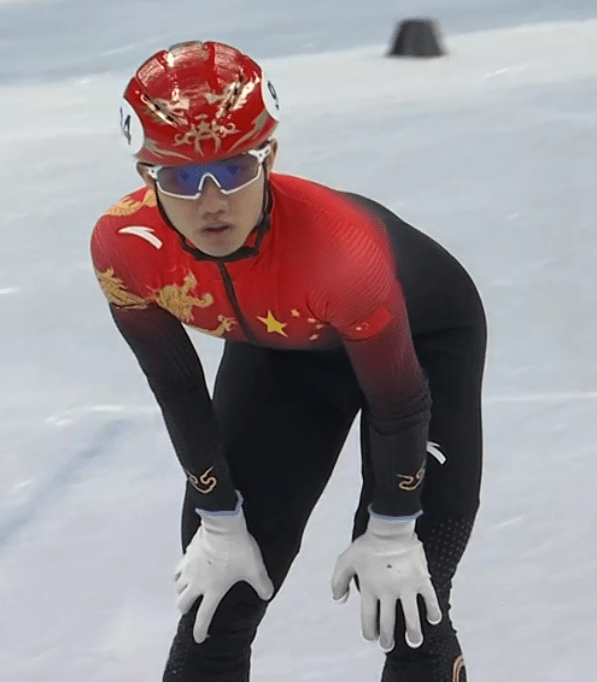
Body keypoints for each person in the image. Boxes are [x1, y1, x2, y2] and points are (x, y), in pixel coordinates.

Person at [90, 40, 486, 682]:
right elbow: (178, 390)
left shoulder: (340, 248)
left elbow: (400, 402)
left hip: (421, 346)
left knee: (410, 601)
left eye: (236, 169)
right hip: (284, 350)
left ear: (269, 156)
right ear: (146, 177)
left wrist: (391, 528)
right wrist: (218, 517)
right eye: (184, 179)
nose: (212, 201)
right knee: (215, 606)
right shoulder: (125, 248)